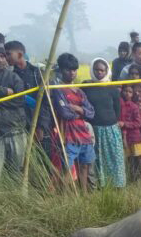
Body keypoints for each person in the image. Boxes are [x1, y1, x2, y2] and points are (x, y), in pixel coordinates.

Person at [52, 53, 95, 191]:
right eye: (68, 70)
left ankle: (84, 194)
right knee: (67, 168)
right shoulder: (58, 90)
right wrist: (82, 112)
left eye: (74, 70)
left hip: (84, 133)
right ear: (61, 70)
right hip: (68, 133)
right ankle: (64, 196)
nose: (72, 73)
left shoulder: (80, 92)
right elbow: (65, 113)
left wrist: (77, 108)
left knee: (85, 165)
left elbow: (92, 113)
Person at [0, 39, 26, 178]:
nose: (0, 60)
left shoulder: (14, 77)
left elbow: (19, 99)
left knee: (17, 171)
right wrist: (3, 92)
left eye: (3, 56)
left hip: (15, 128)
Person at [85, 58, 126, 188]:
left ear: (106, 71)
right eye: (96, 70)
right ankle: (102, 184)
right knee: (98, 158)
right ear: (92, 70)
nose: (99, 72)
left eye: (102, 70)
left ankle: (118, 184)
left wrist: (115, 122)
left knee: (115, 157)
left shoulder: (112, 88)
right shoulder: (86, 87)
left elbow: (117, 108)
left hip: (111, 128)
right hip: (95, 129)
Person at [119, 85, 141, 181]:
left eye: (130, 92)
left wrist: (124, 124)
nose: (127, 94)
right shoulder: (120, 105)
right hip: (125, 137)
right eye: (125, 91)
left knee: (138, 158)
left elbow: (138, 123)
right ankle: (132, 178)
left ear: (133, 94)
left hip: (135, 137)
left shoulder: (134, 106)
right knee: (129, 159)